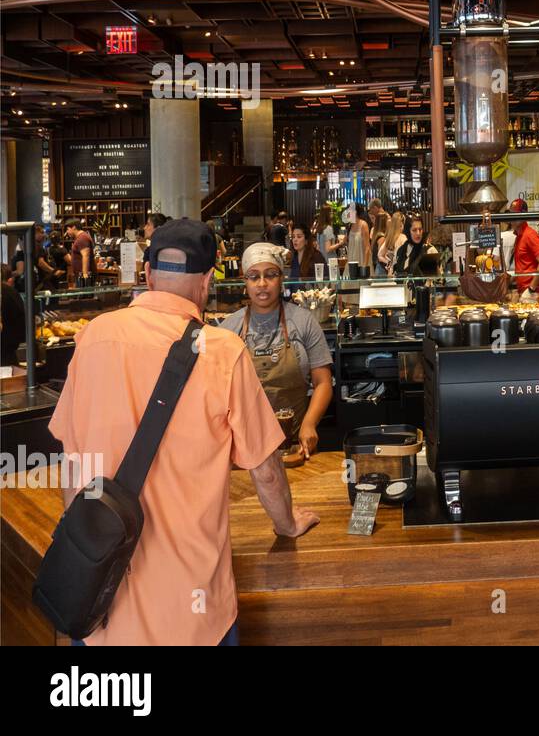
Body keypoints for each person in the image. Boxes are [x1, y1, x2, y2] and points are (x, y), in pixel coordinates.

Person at [48, 219, 317, 645]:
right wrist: (287, 524)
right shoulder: (224, 352)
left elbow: (71, 456)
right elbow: (264, 469)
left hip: (100, 598)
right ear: (208, 281)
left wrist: (80, 545)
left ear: (149, 275)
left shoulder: (94, 337)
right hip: (192, 612)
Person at [220, 243, 333, 461]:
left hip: (295, 446)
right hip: (245, 447)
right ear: (245, 281)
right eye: (254, 276)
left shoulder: (303, 321)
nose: (262, 284)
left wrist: (309, 424)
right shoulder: (228, 329)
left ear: (281, 279)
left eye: (270, 275)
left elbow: (323, 382)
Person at [507, 199, 539, 299]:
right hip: (525, 293)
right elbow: (524, 266)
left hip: (536, 294)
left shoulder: (530, 235)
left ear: (523, 216)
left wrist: (531, 289)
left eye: (515, 215)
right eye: (511, 214)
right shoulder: (518, 236)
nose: (511, 218)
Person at [64, 218, 95, 284]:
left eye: (68, 229)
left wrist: (84, 275)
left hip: (83, 278)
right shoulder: (80, 237)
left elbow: (85, 256)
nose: (67, 232)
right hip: (80, 276)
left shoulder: (82, 238)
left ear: (74, 227)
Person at [344, 204, 371, 277]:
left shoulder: (363, 225)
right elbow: (345, 242)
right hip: (351, 262)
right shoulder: (350, 226)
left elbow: (367, 247)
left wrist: (364, 266)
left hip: (362, 260)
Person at [379, 210, 407, 274]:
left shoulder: (389, 238)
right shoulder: (402, 238)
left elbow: (380, 255)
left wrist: (389, 263)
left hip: (391, 272)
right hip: (400, 272)